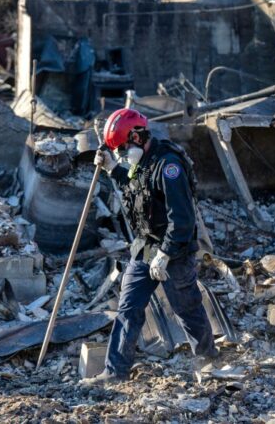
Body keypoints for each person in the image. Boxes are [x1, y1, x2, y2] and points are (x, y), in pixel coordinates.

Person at [83, 109, 218, 385]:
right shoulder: (141, 162)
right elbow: (136, 189)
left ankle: (208, 361)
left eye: (122, 148)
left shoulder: (168, 165)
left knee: (187, 308)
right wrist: (112, 168)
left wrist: (166, 255)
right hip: (144, 248)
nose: (121, 153)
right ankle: (115, 371)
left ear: (136, 135)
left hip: (175, 252)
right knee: (128, 308)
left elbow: (182, 218)